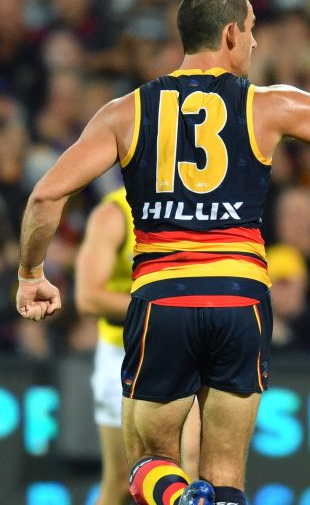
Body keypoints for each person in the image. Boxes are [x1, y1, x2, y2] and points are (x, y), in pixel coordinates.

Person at [15, 0, 310, 505]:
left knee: (148, 463)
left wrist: (31, 274)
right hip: (240, 300)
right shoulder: (266, 106)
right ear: (229, 34)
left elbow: (45, 197)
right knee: (226, 473)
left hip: (164, 299)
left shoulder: (125, 111)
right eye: (252, 31)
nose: (255, 44)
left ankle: (180, 500)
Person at [75, 187, 201, 504]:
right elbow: (88, 297)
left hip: (184, 350)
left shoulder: (203, 204)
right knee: (121, 481)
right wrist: (165, 308)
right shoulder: (115, 214)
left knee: (191, 473)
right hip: (123, 352)